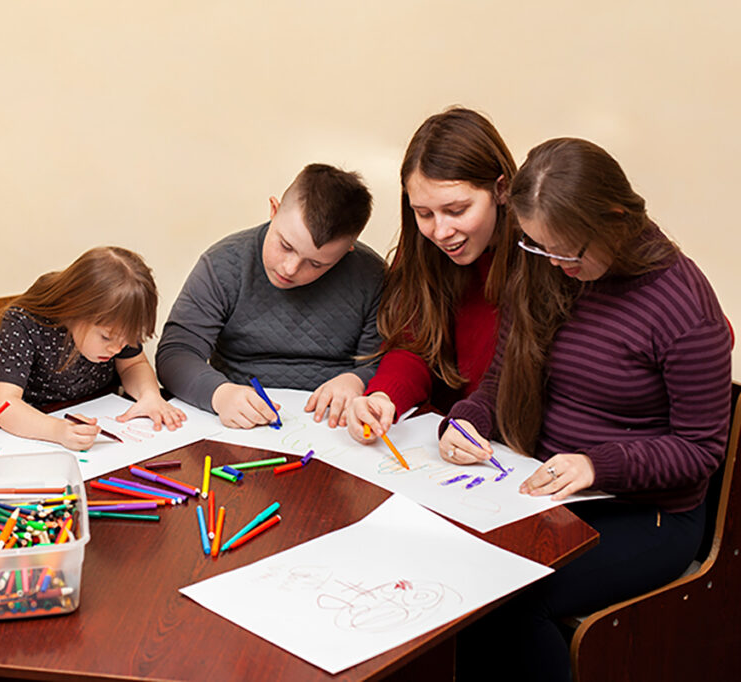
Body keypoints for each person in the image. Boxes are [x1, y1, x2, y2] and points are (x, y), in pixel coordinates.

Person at [438, 138, 732, 681]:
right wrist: (467, 421)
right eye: (538, 246)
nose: (555, 264)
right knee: (452, 570)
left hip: (649, 513)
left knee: (513, 599)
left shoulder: (685, 308)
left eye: (568, 251)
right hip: (547, 487)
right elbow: (503, 377)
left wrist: (596, 464)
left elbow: (700, 451)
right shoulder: (546, 266)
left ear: (615, 218)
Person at [156, 163, 384, 429]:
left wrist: (357, 380)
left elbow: (386, 362)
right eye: (285, 246)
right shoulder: (223, 264)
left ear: (347, 251)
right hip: (238, 421)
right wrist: (219, 394)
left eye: (316, 264)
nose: (290, 269)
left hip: (335, 425)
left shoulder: (372, 276)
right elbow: (176, 353)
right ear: (273, 211)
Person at [345, 107, 517, 444]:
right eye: (423, 213)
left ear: (501, 190)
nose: (440, 231)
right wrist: (384, 397)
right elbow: (414, 346)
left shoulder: (543, 261)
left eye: (457, 210)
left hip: (508, 447)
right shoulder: (423, 254)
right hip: (441, 440)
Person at [0, 247, 185, 451]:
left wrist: (149, 395)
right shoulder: (24, 322)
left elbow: (133, 364)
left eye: (127, 340)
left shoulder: (117, 320)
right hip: (27, 438)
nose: (116, 348)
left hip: (95, 421)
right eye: (106, 337)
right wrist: (57, 431)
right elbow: (4, 405)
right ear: (74, 308)